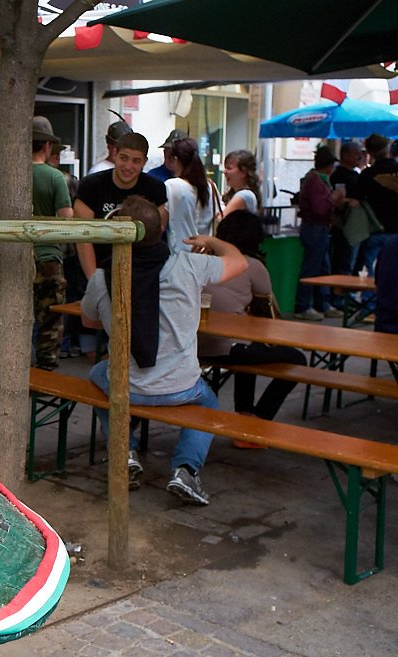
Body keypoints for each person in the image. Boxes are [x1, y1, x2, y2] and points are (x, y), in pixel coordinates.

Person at [82, 195, 247, 506]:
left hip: (126, 386)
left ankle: (125, 450)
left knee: (97, 376)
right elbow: (240, 262)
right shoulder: (189, 266)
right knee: (210, 402)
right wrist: (211, 239)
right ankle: (186, 470)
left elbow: (89, 322)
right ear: (162, 231)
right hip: (182, 387)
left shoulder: (103, 276)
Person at [197, 211, 307, 447]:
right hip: (226, 347)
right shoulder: (252, 266)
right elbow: (267, 313)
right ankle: (257, 424)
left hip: (194, 344)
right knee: (297, 360)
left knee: (248, 350)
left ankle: (245, 417)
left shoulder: (200, 261)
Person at [74, 132, 169, 279]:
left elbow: (155, 237)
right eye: (123, 158)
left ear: (144, 161)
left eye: (136, 161)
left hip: (140, 275)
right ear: (114, 154)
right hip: (97, 270)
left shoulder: (156, 189)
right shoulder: (91, 186)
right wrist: (95, 281)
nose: (128, 166)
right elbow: (83, 238)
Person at [30, 115, 74, 371]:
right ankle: (46, 371)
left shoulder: (10, 175)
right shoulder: (56, 178)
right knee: (50, 318)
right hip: (48, 258)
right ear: (47, 146)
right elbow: (66, 220)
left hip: (16, 256)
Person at [294, 146, 345, 321]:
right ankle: (303, 306)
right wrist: (334, 198)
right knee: (312, 268)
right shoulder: (316, 181)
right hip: (315, 228)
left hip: (319, 228)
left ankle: (322, 303)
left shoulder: (319, 180)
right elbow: (319, 208)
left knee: (323, 268)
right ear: (329, 165)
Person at [352, 133, 398, 274]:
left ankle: (369, 296)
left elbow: (355, 200)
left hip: (374, 229)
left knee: (371, 273)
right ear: (388, 149)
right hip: (396, 230)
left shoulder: (366, 175)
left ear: (370, 152)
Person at [164, 136, 215, 252]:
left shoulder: (172, 186)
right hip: (206, 256)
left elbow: (161, 223)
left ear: (176, 160)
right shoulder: (211, 186)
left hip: (181, 256)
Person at [329, 141, 363, 289]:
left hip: (355, 224)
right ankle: (339, 296)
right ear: (344, 155)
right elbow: (337, 200)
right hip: (343, 223)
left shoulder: (356, 174)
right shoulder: (338, 175)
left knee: (351, 260)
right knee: (343, 260)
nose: (359, 157)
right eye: (355, 154)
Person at [220, 150, 261, 217]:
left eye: (229, 168)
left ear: (244, 172)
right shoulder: (236, 194)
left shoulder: (244, 195)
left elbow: (221, 220)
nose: (224, 172)